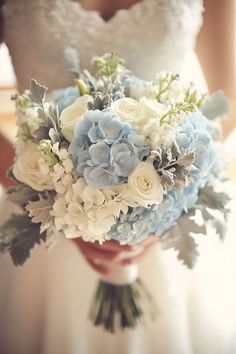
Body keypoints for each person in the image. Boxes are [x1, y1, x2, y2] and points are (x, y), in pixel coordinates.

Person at [0, 1, 236, 353]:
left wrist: (161, 210)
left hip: (159, 233)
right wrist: (55, 199)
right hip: (43, 222)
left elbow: (226, 103)